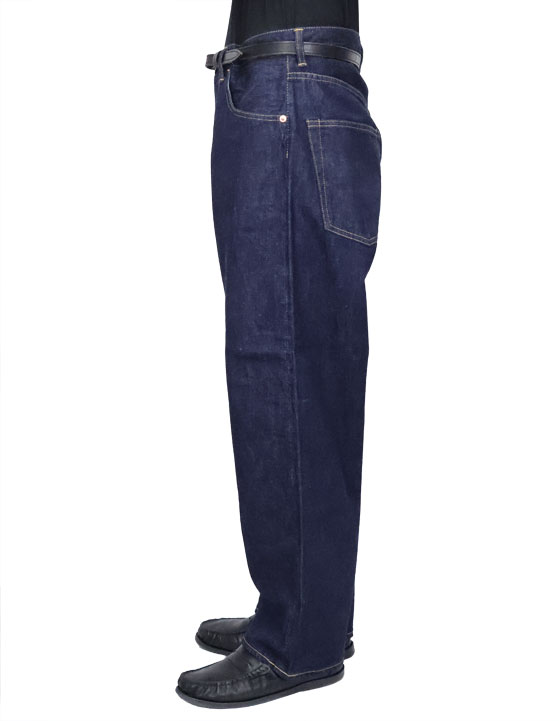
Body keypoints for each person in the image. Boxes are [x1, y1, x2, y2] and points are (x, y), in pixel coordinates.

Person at [176, 0, 382, 708]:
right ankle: (304, 605)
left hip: (292, 88)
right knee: (296, 362)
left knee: (285, 364)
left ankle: (299, 639)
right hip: (280, 85)